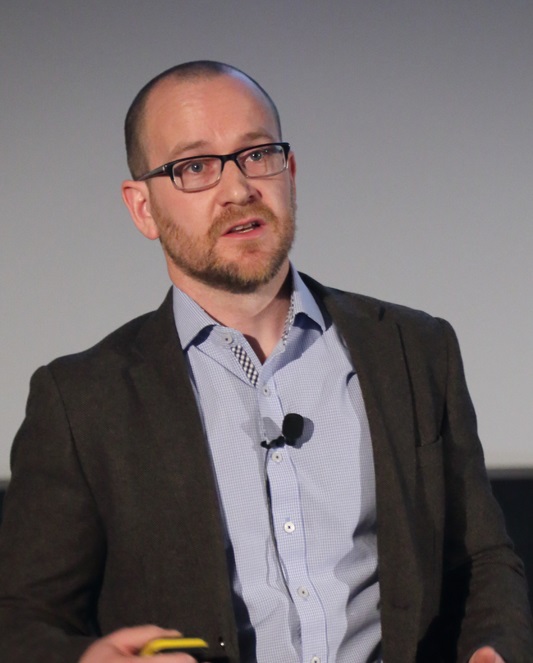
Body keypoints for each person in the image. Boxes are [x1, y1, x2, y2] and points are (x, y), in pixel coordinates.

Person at [0, 61, 531, 663]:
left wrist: (495, 651)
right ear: (143, 208)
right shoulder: (81, 401)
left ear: (290, 171)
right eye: (194, 167)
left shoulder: (414, 349)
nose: (238, 189)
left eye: (257, 155)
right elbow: (22, 622)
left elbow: (483, 558)